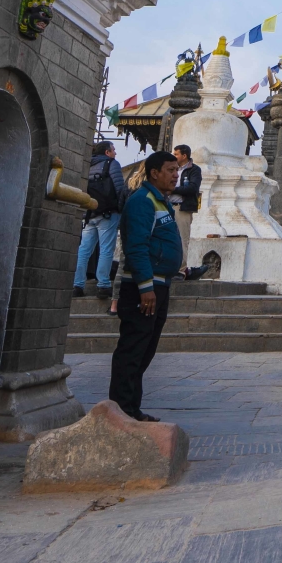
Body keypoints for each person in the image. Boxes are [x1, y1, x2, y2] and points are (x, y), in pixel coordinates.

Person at [110, 150, 183, 421]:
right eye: (171, 170)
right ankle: (121, 410)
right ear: (154, 172)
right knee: (133, 347)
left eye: (177, 170)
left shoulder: (161, 202)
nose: (176, 175)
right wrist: (145, 286)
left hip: (160, 284)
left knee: (145, 349)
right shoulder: (142, 201)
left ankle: (131, 407)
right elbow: (136, 246)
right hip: (144, 286)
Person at [74, 140, 125, 300]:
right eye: (113, 150)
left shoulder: (87, 165)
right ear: (107, 152)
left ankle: (77, 284)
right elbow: (119, 188)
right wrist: (123, 208)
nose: (115, 152)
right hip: (108, 213)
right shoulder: (111, 164)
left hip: (90, 213)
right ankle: (103, 285)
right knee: (106, 249)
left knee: (83, 250)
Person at [171, 145, 202, 274]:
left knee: (182, 240)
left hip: (182, 208)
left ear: (184, 156)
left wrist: (173, 189)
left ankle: (180, 270)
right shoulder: (171, 168)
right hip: (166, 206)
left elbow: (192, 188)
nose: (174, 156)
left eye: (176, 154)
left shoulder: (193, 170)